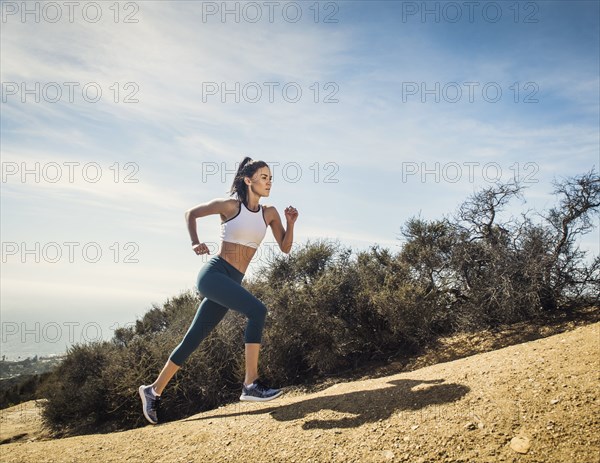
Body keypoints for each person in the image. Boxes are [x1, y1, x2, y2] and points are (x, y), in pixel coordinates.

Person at [138, 156, 298, 425]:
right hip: (214, 275)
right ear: (248, 180)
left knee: (193, 338)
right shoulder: (230, 206)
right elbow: (191, 213)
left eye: (270, 177)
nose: (269, 182)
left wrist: (291, 222)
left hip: (231, 281)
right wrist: (194, 243)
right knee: (258, 311)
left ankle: (152, 391)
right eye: (263, 177)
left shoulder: (269, 213)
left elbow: (285, 247)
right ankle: (250, 384)